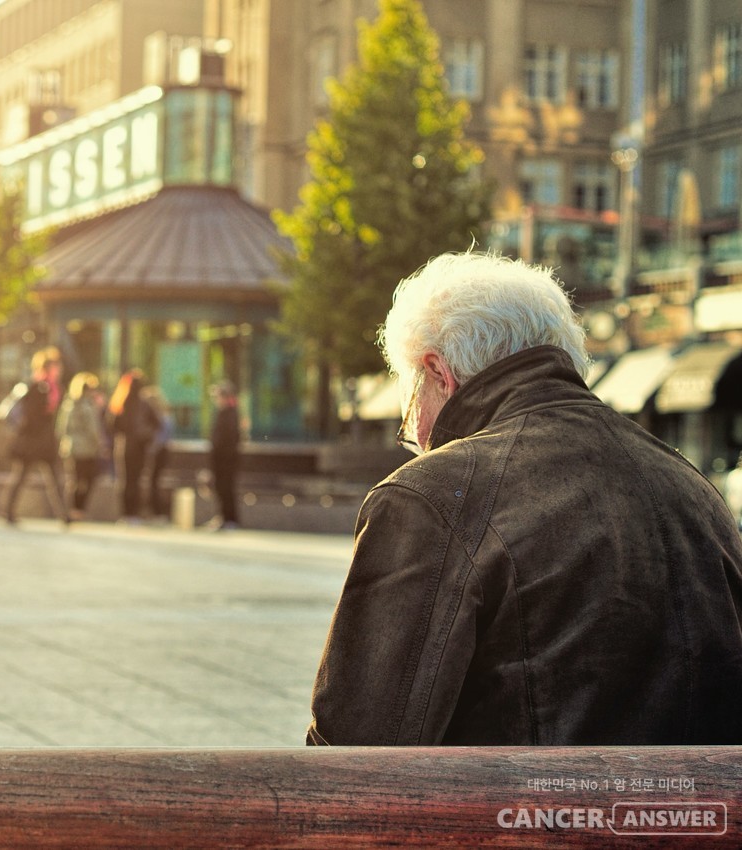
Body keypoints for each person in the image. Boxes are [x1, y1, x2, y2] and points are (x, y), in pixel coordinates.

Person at [308, 251, 742, 746]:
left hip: (517, 819)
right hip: (699, 818)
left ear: (438, 373)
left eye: (409, 409)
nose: (416, 436)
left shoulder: (432, 496)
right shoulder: (693, 486)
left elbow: (356, 749)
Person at [0, 347, 71, 526]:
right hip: (32, 442)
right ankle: (7, 511)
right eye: (56, 366)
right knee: (22, 477)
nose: (59, 370)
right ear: (48, 368)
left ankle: (64, 515)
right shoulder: (37, 388)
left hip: (44, 441)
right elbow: (32, 416)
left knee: (55, 478)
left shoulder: (54, 388)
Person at [108, 369, 160, 523]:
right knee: (134, 480)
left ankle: (128, 513)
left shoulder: (121, 402)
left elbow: (111, 425)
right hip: (136, 447)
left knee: (128, 480)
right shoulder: (138, 404)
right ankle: (132, 513)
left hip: (128, 446)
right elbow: (157, 424)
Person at [58, 371, 107, 521]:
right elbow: (93, 429)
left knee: (75, 479)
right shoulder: (87, 405)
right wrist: (101, 443)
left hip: (71, 447)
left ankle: (73, 509)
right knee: (87, 479)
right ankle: (78, 509)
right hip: (87, 448)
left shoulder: (68, 404)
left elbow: (61, 428)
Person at [207, 381, 241, 530]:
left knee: (226, 487)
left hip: (226, 459)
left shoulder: (230, 414)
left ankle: (229, 518)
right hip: (220, 457)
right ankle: (224, 517)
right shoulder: (223, 413)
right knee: (221, 488)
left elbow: (229, 439)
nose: (216, 400)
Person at [142, 385, 174, 520]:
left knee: (154, 481)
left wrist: (151, 450)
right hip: (160, 451)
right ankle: (154, 511)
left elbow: (161, 438)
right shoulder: (164, 416)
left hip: (159, 452)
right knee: (153, 481)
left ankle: (158, 511)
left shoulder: (162, 418)